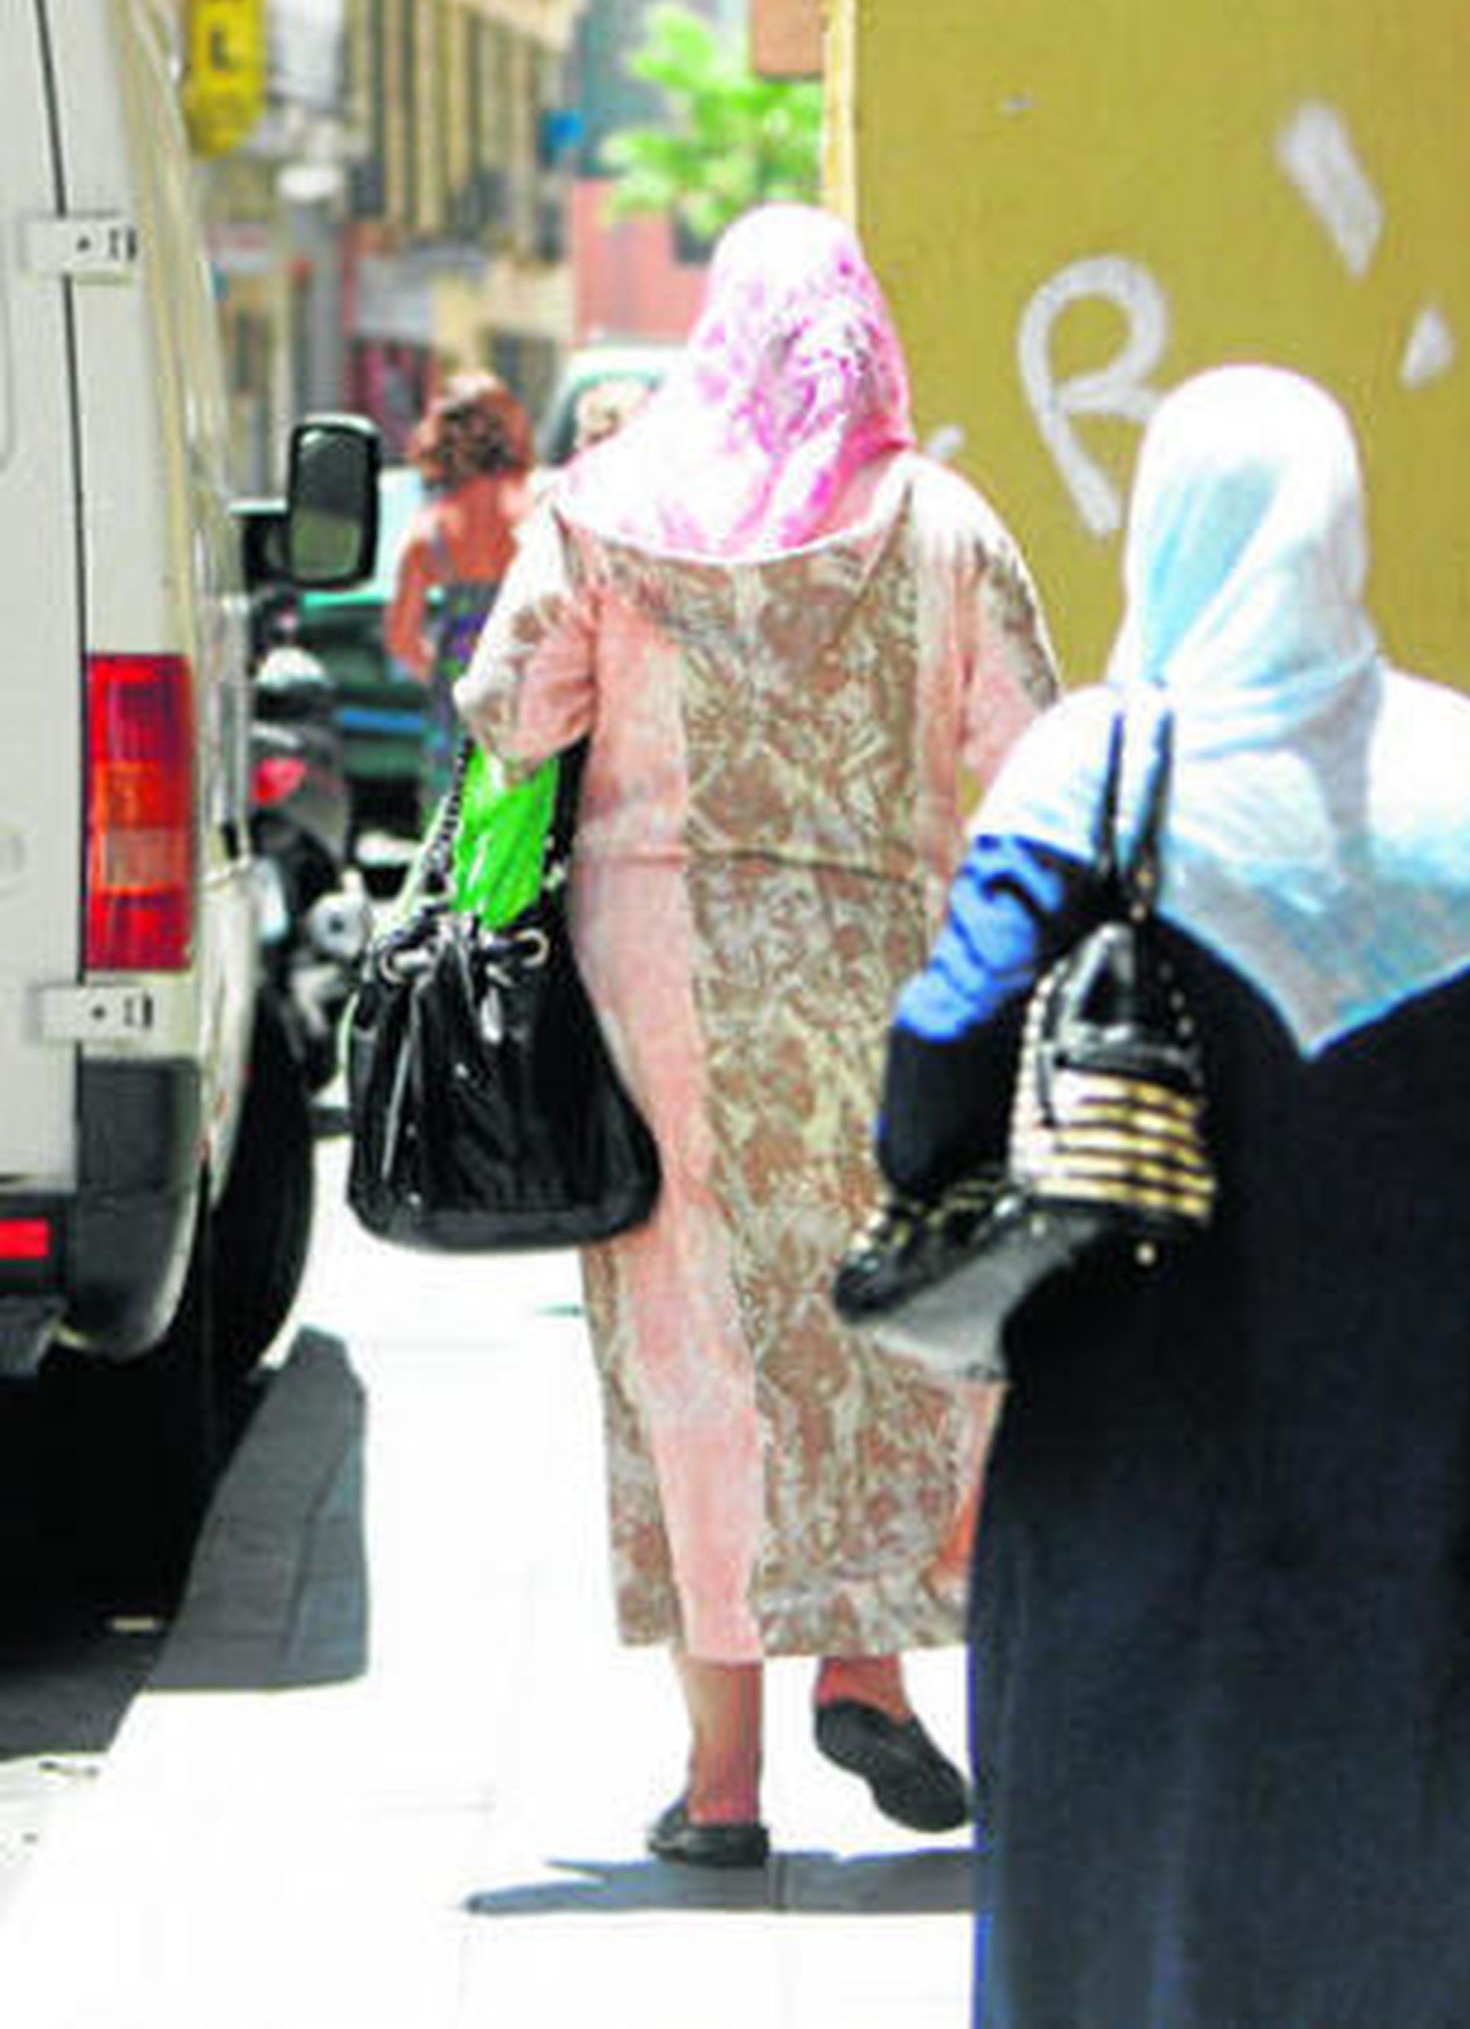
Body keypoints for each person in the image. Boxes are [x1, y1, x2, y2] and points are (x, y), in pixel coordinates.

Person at [874, 364, 1470, 2027]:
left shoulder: (1092, 782)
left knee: (1138, 1917)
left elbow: (932, 1084)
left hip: (1159, 1499)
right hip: (1460, 1483)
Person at [456, 202, 1061, 1866]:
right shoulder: (943, 525)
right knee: (884, 1322)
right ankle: (861, 1662)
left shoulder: (606, 511)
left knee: (695, 1357)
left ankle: (720, 1788)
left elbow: (510, 721)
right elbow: (1033, 761)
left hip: (659, 994)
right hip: (890, 969)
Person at [383, 371, 534, 806]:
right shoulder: (539, 508)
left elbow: (401, 638)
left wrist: (447, 674)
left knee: (452, 834)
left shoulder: (430, 530)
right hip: (527, 699)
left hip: (457, 711)